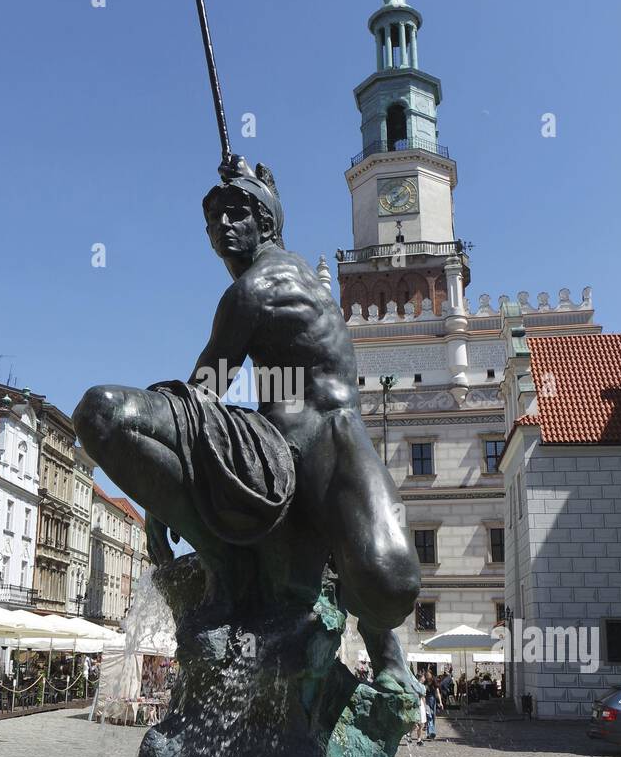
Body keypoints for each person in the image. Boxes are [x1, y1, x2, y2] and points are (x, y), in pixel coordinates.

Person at [74, 155, 422, 699]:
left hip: (333, 438)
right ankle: (227, 563)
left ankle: (385, 649)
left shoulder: (259, 288)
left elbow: (203, 390)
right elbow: (205, 391)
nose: (222, 230)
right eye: (213, 224)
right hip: (274, 442)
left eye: (236, 215)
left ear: (266, 223)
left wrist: (160, 483)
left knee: (394, 582)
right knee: (102, 412)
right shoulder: (277, 278)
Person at [424, 670, 441, 740]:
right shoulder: (424, 682)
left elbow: (437, 692)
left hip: (432, 700)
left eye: (428, 674)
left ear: (431, 675)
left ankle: (429, 733)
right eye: (426, 675)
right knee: (429, 715)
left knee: (433, 716)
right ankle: (431, 732)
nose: (427, 676)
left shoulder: (434, 682)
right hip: (425, 700)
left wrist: (440, 702)